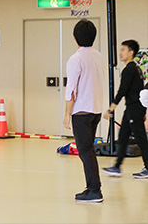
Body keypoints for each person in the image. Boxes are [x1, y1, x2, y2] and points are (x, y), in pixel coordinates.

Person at [63, 19, 104, 203]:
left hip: (81, 111)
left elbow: (71, 90)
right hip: (95, 109)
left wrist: (66, 114)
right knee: (88, 150)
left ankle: (94, 190)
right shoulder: (98, 56)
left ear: (74, 38)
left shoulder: (76, 59)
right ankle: (91, 187)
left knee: (85, 150)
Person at [102, 40, 148, 179]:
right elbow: (140, 91)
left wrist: (111, 109)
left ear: (131, 53)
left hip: (134, 108)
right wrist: (144, 111)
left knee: (140, 138)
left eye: (123, 50)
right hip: (133, 109)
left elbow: (122, 91)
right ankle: (117, 167)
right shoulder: (136, 69)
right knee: (122, 137)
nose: (120, 53)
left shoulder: (129, 70)